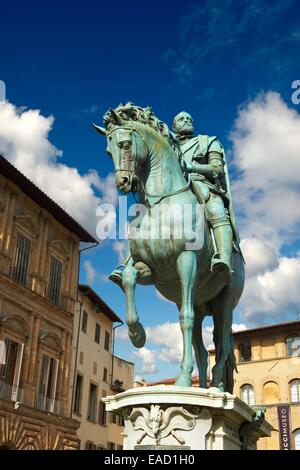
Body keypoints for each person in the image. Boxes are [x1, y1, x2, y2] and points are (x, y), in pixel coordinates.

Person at [172, 111, 240, 280]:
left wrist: (192, 168)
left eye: (189, 119)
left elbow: (217, 170)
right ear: (174, 126)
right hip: (173, 189)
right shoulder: (168, 145)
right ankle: (129, 262)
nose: (187, 121)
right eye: (181, 119)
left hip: (202, 185)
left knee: (217, 209)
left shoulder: (208, 141)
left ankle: (223, 259)